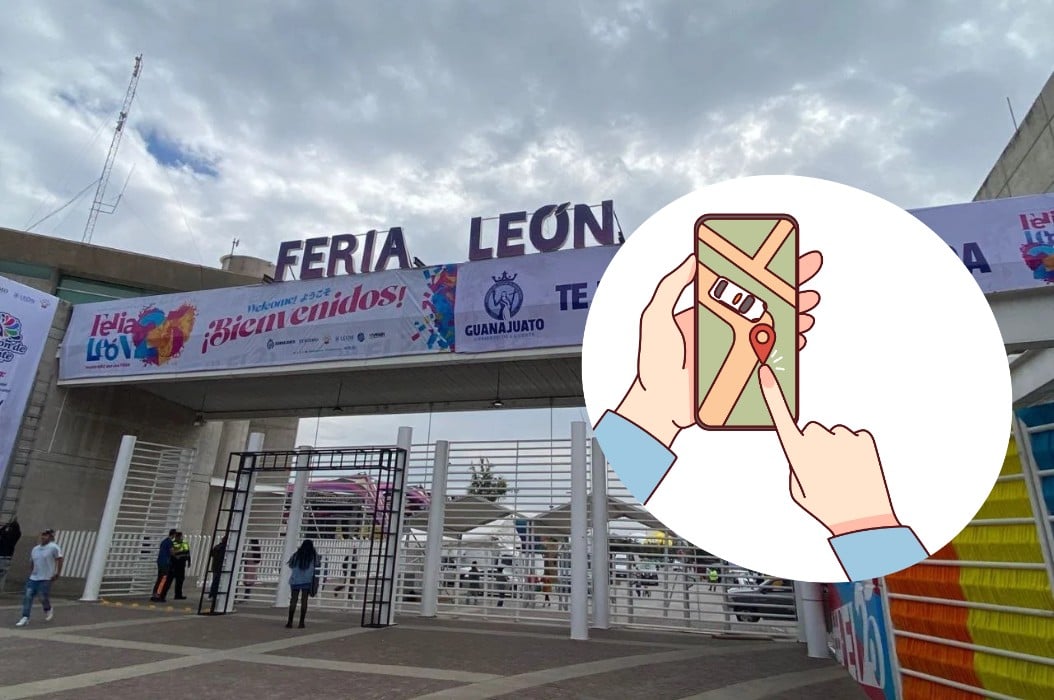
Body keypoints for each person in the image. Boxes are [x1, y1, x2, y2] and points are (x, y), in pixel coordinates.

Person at [16, 529, 63, 627]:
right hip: (34, 577)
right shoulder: (35, 549)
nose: (43, 537)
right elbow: (32, 561)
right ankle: (25, 617)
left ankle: (48, 608)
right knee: (28, 595)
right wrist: (32, 572)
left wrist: (57, 573)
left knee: (42, 596)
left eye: (46, 535)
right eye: (43, 535)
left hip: (46, 577)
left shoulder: (53, 547)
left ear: (50, 537)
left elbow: (59, 559)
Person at [286, 539, 319, 629]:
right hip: (307, 580)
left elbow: (291, 565)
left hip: (295, 580)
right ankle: (301, 622)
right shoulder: (313, 555)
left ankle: (290, 622)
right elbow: (317, 563)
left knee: (293, 600)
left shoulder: (297, 554)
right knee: (304, 601)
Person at [154, 531, 191, 602]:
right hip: (173, 565)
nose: (180, 538)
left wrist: (189, 561)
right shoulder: (171, 543)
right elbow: (172, 553)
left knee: (178, 580)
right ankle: (161, 595)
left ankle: (175, 595)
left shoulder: (183, 543)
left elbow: (187, 552)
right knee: (166, 580)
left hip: (180, 565)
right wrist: (177, 557)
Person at [151, 529, 176, 601]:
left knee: (159, 578)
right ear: (173, 535)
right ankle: (158, 595)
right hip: (165, 562)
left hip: (160, 561)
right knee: (163, 579)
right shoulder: (170, 542)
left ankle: (154, 594)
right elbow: (172, 552)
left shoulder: (164, 541)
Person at [0, 517, 21, 590]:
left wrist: (6, 526)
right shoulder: (16, 536)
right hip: (7, 558)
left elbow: (1, 531)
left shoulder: (5, 536)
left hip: (2, 557)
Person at [208, 535, 227, 599]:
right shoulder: (224, 548)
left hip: (215, 566)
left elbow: (212, 554)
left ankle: (212, 594)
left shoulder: (217, 546)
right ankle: (214, 594)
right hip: (220, 567)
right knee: (218, 581)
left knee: (215, 581)